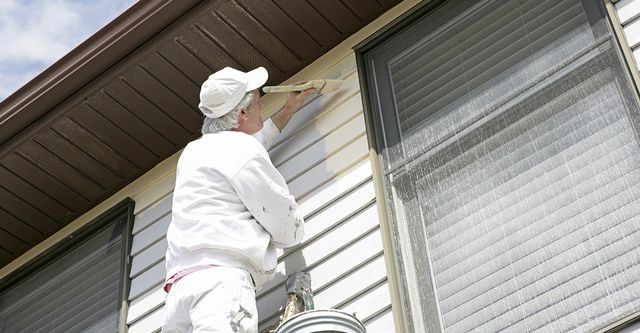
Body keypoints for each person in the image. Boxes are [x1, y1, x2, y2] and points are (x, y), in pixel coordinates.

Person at [161, 66, 314, 333]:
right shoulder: (241, 153)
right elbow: (289, 231)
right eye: (257, 100)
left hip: (181, 292)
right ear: (242, 113)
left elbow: (244, 150)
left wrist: (289, 109)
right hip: (220, 286)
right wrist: (295, 225)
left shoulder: (194, 153)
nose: (261, 104)